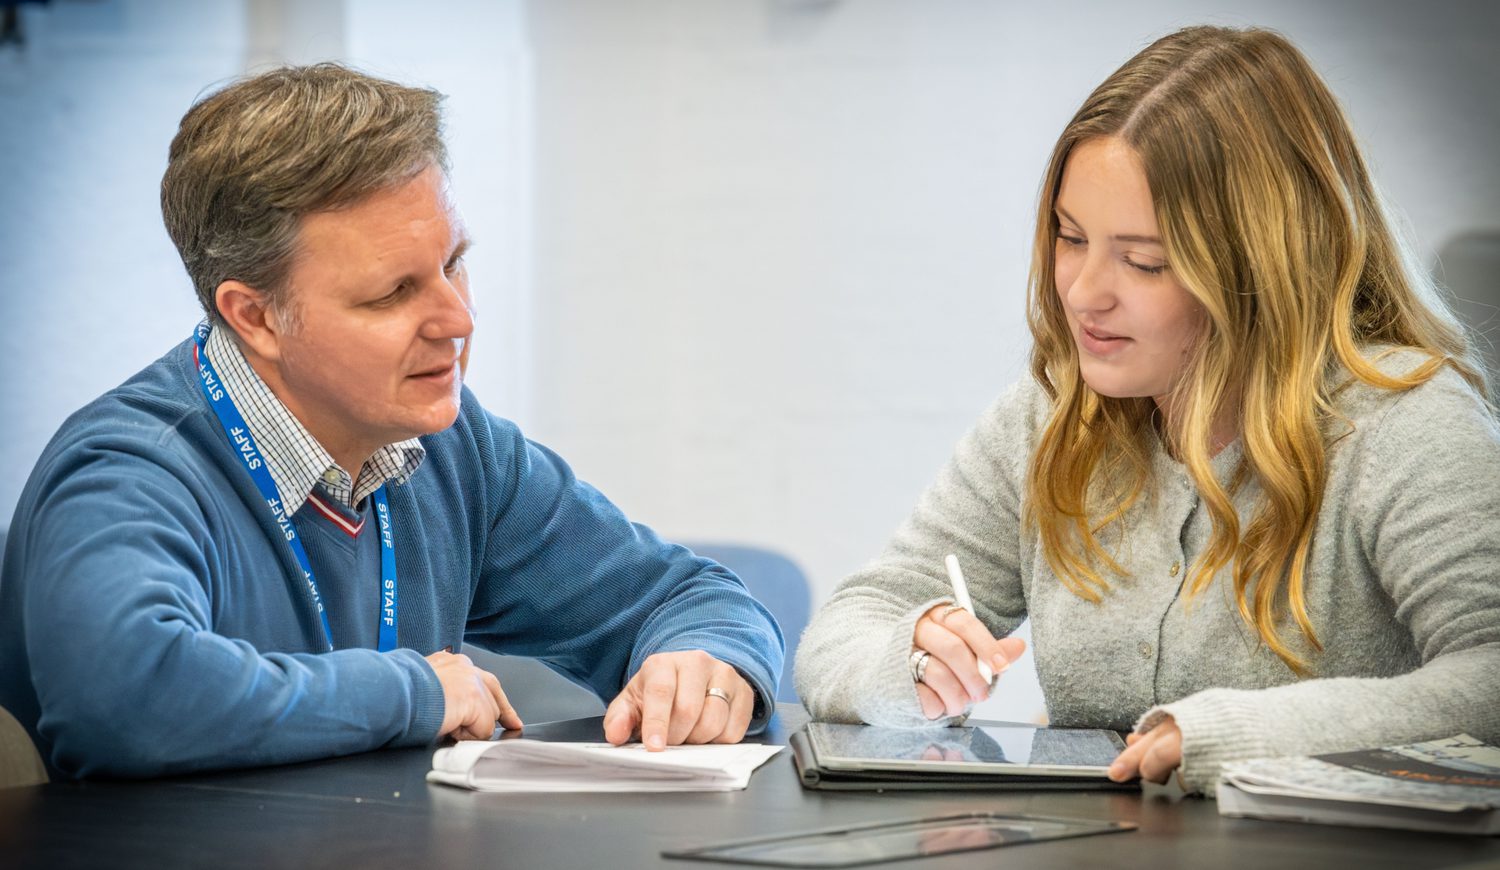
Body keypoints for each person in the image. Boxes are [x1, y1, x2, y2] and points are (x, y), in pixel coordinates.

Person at [0, 64, 783, 779]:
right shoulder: (130, 471)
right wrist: (415, 691)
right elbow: (127, 702)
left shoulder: (448, 444)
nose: (458, 317)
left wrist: (708, 660)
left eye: (453, 263)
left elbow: (685, 597)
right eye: (391, 294)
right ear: (255, 317)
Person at [794, 25, 1500, 793]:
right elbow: (850, 624)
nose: (1083, 292)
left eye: (1145, 261)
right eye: (1069, 238)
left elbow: (1490, 676)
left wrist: (1234, 735)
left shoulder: (1401, 419)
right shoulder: (1052, 414)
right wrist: (913, 656)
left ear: (1260, 266)